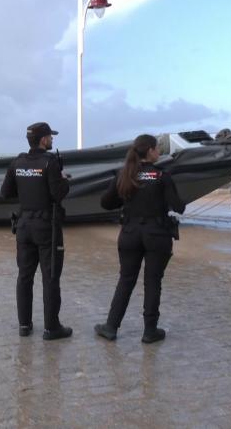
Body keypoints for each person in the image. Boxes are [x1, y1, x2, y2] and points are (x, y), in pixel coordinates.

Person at [93, 134, 185, 344]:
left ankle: (111, 326)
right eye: (157, 148)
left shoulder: (124, 175)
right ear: (150, 151)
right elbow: (179, 206)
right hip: (157, 235)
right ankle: (150, 331)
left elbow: (106, 203)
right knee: (153, 282)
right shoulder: (162, 176)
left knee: (126, 279)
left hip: (130, 235)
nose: (159, 151)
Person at [0, 122, 73, 341]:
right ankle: (51, 328)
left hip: (24, 226)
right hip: (46, 227)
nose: (52, 140)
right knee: (50, 277)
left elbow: (5, 192)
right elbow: (58, 194)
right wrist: (64, 180)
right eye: (50, 137)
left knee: (24, 276)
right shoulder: (50, 163)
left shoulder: (18, 162)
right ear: (43, 140)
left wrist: (27, 189)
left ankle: (24, 325)